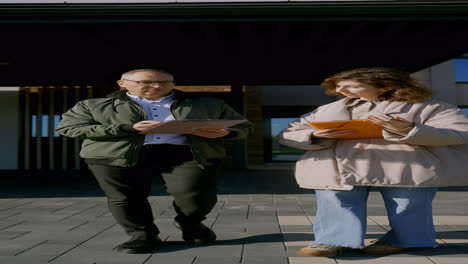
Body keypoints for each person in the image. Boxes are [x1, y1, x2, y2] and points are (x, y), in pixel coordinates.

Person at [55, 69, 254, 254]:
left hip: (186, 153)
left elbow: (244, 125)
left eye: (165, 82)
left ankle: (191, 223)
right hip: (117, 155)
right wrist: (127, 128)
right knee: (125, 197)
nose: (157, 86)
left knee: (199, 196)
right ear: (122, 83)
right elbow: (69, 128)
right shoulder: (92, 105)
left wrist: (227, 132)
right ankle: (142, 235)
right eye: (147, 82)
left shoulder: (208, 104)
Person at [278, 67, 468, 257]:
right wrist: (314, 135)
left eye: (350, 86)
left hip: (406, 165)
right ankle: (332, 240)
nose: (341, 91)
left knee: (408, 202)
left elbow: (461, 133)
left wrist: (409, 129)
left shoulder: (429, 107)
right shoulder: (329, 109)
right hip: (337, 165)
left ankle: (407, 240)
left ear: (383, 84)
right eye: (338, 86)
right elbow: (287, 134)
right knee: (336, 200)